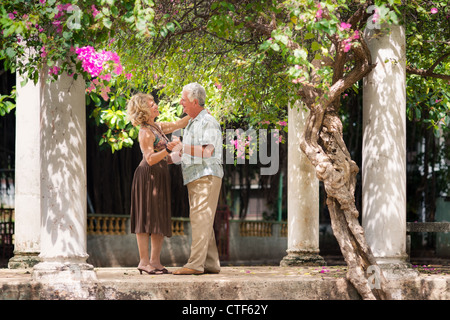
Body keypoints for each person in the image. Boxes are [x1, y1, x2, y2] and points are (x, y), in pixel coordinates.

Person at [127, 93, 189, 275]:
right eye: (151, 104)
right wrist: (168, 149)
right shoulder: (145, 131)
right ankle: (144, 262)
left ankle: (155, 261)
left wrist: (198, 112)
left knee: (159, 217)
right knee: (145, 218)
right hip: (147, 176)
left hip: (161, 175)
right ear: (144, 109)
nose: (155, 105)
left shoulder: (159, 127)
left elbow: (179, 124)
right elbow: (150, 159)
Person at [173, 83, 224, 275]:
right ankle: (210, 263)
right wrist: (167, 157)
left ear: (195, 101)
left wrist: (181, 146)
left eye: (184, 100)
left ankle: (195, 264)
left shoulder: (207, 121)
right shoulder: (193, 122)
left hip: (206, 175)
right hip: (195, 176)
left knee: (200, 219)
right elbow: (188, 153)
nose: (181, 103)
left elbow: (207, 151)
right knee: (203, 219)